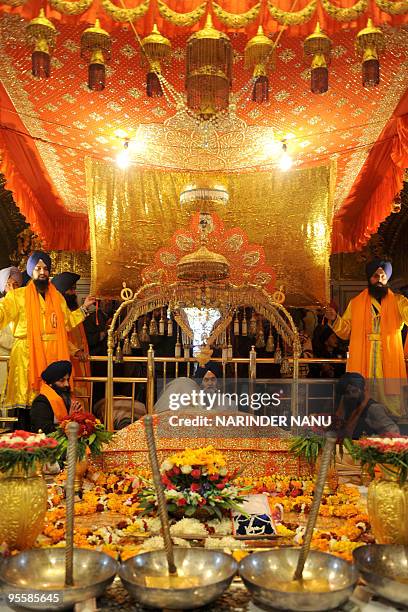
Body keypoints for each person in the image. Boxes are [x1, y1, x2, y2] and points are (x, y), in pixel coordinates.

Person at [0, 251, 95, 428]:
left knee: (50, 405)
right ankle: (25, 446)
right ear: (30, 272)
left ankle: (50, 444)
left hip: (52, 357)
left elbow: (66, 323)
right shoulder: (17, 296)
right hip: (26, 358)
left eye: (45, 268)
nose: (42, 272)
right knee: (26, 409)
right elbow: (3, 313)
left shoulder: (57, 297)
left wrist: (84, 308)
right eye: (37, 268)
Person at [324, 258, 408, 416]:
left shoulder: (399, 302)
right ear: (369, 278)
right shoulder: (356, 303)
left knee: (390, 403)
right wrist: (335, 319)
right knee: (361, 400)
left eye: (383, 277)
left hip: (388, 357)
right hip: (363, 357)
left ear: (387, 278)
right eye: (376, 276)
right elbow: (346, 331)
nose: (379, 280)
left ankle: (390, 429)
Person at [51, 272, 91, 409]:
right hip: (68, 362)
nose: (74, 292)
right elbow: (59, 336)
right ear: (62, 292)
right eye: (71, 289)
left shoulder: (72, 309)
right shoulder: (56, 311)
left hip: (81, 362)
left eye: (75, 288)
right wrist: (76, 352)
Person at [334, 372, 399, 439]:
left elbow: (393, 433)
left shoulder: (373, 408)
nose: (351, 395)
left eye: (354, 391)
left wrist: (371, 445)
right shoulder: (347, 404)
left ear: (363, 389)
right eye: (347, 393)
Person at [30, 360, 82, 434]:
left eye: (67, 379)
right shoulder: (41, 402)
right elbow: (44, 430)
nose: (67, 384)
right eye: (62, 381)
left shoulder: (67, 398)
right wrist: (69, 418)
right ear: (51, 383)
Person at [0, 267, 22, 412]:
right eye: (9, 284)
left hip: (18, 359)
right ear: (3, 286)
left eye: (16, 285)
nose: (12, 288)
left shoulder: (24, 306)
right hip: (2, 358)